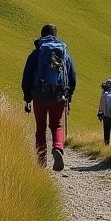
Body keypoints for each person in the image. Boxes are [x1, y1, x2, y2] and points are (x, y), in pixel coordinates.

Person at [22, 23, 77, 171]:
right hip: (58, 96)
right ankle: (58, 148)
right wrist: (69, 96)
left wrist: (27, 98)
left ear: (41, 36)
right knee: (57, 125)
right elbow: (72, 77)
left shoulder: (36, 54)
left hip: (39, 95)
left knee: (40, 128)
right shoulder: (64, 54)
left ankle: (41, 162)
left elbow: (27, 77)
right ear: (56, 36)